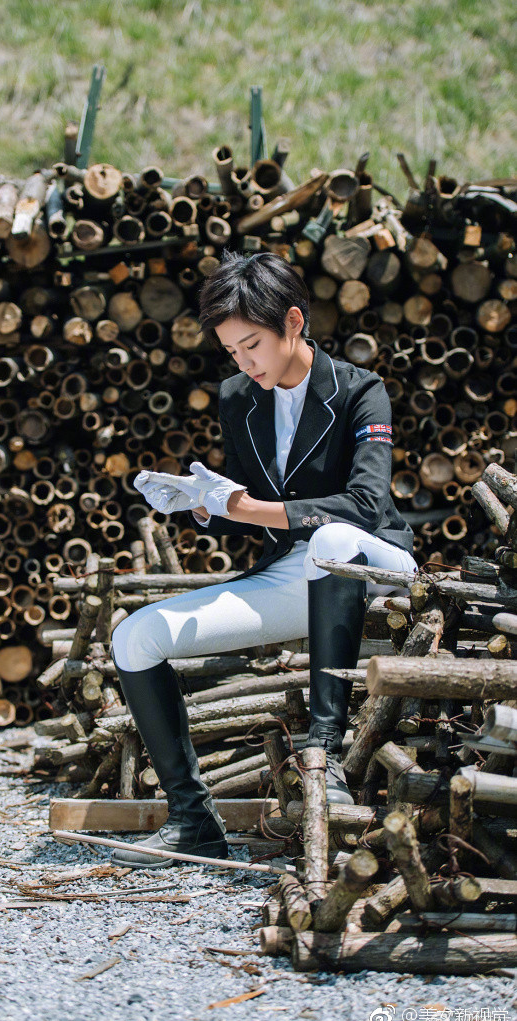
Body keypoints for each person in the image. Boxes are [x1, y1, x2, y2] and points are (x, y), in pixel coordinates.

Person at [108, 250, 418, 868]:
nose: (244, 364)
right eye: (232, 352)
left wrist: (242, 506)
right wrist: (203, 503)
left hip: (373, 564)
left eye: (252, 345)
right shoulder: (238, 398)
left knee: (331, 543)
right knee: (133, 638)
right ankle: (193, 820)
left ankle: (324, 757)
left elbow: (362, 505)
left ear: (294, 323)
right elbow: (258, 503)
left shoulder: (362, 391)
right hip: (292, 572)